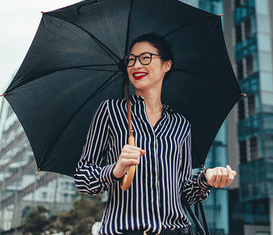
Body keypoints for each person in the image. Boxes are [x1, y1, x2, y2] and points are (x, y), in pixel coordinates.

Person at [74, 33, 236, 235]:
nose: (136, 65)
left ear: (166, 65)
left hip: (175, 230)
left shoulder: (180, 124)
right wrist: (115, 170)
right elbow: (82, 178)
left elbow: (184, 193)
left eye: (145, 58)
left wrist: (206, 178)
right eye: (131, 60)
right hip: (124, 230)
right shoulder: (110, 111)